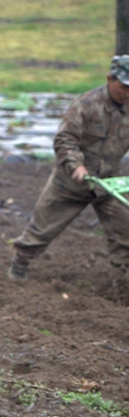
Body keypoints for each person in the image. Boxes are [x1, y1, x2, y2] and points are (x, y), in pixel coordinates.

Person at [8, 55, 129, 281]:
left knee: (126, 229)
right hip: (70, 183)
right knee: (41, 231)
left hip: (108, 182)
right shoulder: (87, 105)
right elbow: (65, 139)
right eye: (124, 87)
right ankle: (19, 266)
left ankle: (121, 278)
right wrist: (76, 166)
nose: (128, 93)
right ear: (110, 79)